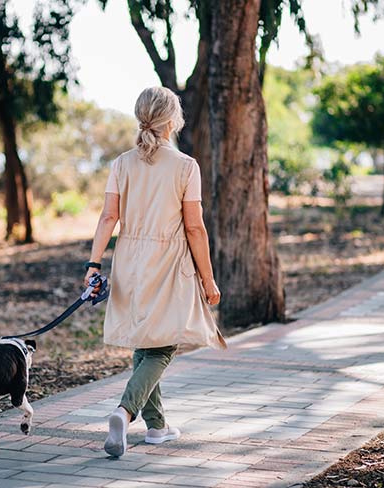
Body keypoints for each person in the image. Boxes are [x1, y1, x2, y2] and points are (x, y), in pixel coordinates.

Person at [83, 86, 227, 458]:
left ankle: (158, 427)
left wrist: (93, 263)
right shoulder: (185, 166)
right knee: (163, 346)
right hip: (168, 262)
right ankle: (124, 410)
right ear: (172, 119)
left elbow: (108, 217)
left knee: (146, 341)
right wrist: (208, 279)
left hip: (129, 260)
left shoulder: (121, 163)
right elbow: (195, 228)